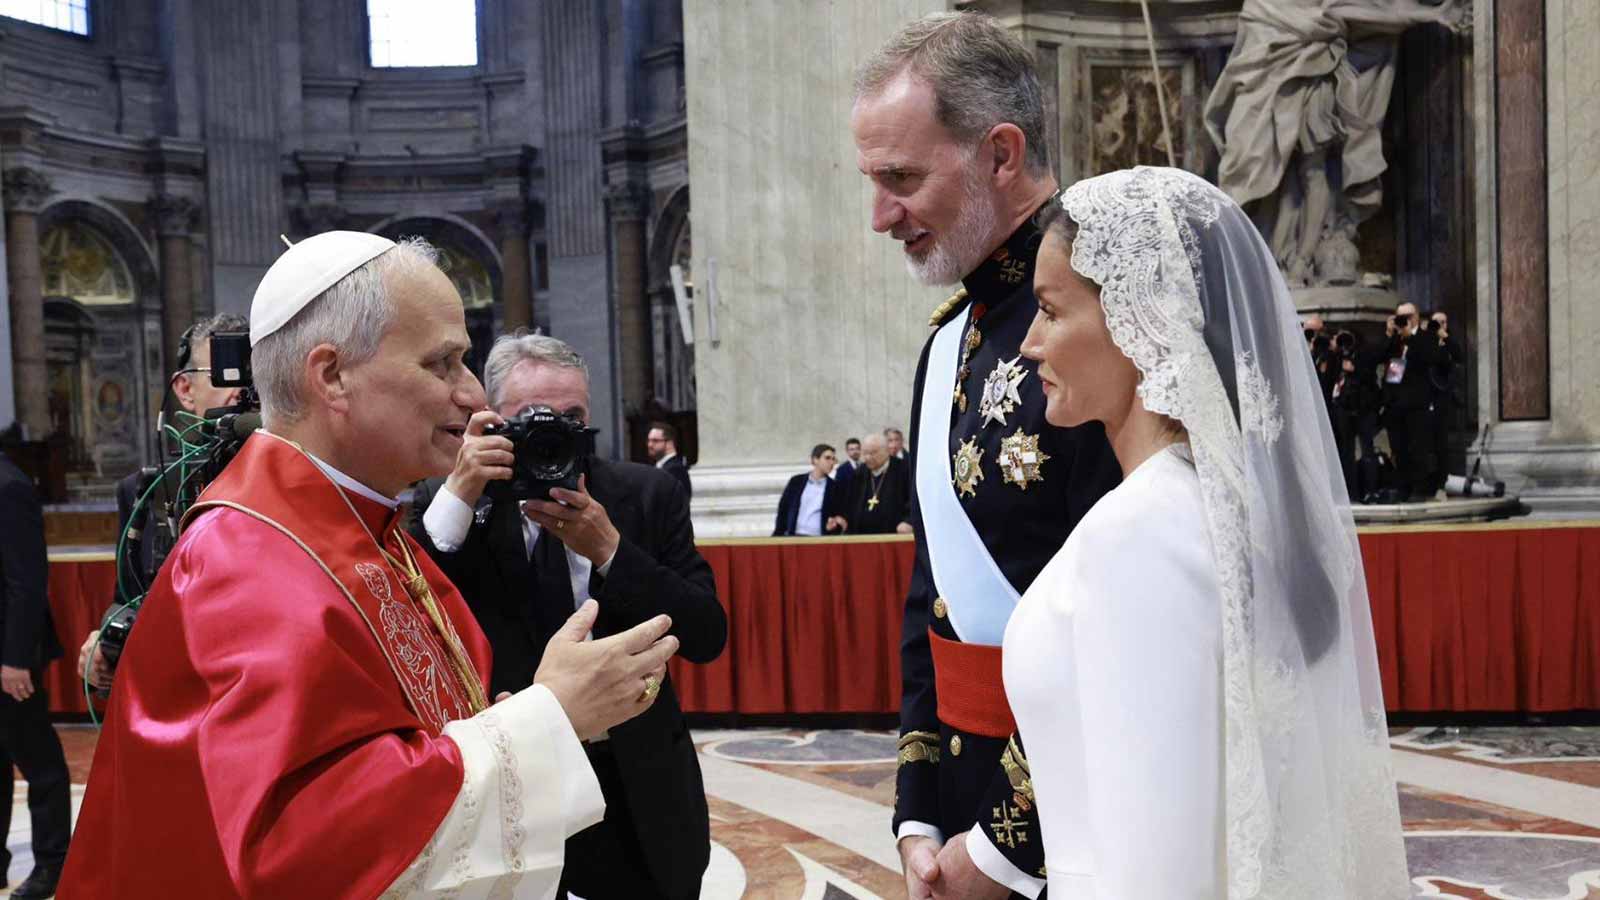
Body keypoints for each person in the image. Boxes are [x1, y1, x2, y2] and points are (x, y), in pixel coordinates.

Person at [60, 232, 682, 898]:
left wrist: (509, 721)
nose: (474, 394)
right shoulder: (246, 561)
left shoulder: (370, 530)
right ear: (332, 376)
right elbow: (305, 849)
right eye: (443, 362)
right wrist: (547, 718)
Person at [1007, 167, 1409, 897]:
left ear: (1142, 319)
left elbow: (1156, 871)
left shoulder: (1140, 534)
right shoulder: (1215, 509)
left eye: (1050, 311)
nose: (1030, 343)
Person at [852, 13, 1122, 899]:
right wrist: (919, 812)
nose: (880, 216)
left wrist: (1007, 846)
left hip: (1086, 815)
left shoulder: (1110, 321)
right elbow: (929, 597)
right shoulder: (947, 344)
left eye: (902, 179)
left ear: (1001, 155)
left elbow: (1124, 619)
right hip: (963, 815)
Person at [411, 332, 726, 900]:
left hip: (638, 785)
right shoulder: (459, 499)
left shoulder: (645, 493)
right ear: (493, 421)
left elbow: (706, 634)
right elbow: (412, 609)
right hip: (513, 784)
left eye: (571, 417)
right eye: (533, 418)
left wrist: (610, 550)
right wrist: (460, 487)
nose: (553, 433)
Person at [78, 311, 249, 692]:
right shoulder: (147, 489)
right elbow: (129, 597)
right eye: (225, 373)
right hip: (180, 694)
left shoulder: (304, 476)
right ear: (185, 389)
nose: (242, 389)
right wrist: (106, 639)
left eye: (255, 374)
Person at [0, 449, 70, 899]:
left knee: (39, 763)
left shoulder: (8, 485)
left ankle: (53, 865)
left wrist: (15, 658)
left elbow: (25, 582)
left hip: (10, 656)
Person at [1380, 301, 1448, 501]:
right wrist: (1390, 334)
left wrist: (1411, 336)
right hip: (1395, 402)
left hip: (1417, 403)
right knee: (1398, 448)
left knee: (1418, 448)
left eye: (1408, 316)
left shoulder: (1426, 337)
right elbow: (1379, 356)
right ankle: (1402, 489)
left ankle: (1419, 489)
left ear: (1416, 316)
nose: (1405, 320)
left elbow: (1433, 358)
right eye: (1401, 317)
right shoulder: (1395, 339)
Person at [841, 433, 912, 535]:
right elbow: (849, 504)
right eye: (865, 453)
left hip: (893, 535)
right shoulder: (859, 473)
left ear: (886, 451)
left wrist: (908, 521)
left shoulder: (904, 470)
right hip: (862, 536)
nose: (868, 457)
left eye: (873, 453)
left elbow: (913, 502)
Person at [774, 444, 848, 536]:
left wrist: (834, 525)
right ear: (815, 460)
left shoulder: (835, 487)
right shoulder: (796, 482)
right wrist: (777, 535)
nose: (831, 462)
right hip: (794, 536)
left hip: (818, 538)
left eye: (833, 459)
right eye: (827, 458)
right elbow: (783, 510)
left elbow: (838, 517)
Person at [646, 421, 692, 498]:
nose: (649, 445)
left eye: (655, 441)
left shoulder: (675, 469)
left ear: (669, 443)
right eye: (648, 440)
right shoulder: (661, 467)